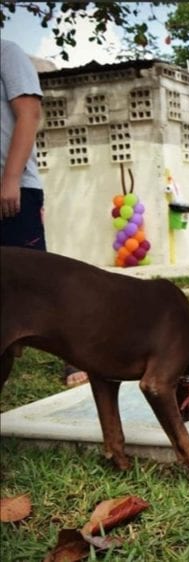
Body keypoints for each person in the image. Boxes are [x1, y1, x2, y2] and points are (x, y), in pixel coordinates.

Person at [1, 39, 88, 387]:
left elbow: (29, 113)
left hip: (13, 190)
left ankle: (77, 356)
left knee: (38, 284)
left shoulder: (7, 53)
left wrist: (10, 179)